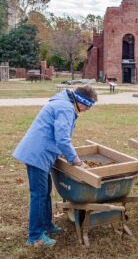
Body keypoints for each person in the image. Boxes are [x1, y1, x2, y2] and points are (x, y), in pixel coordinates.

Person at [13, 85, 98, 247]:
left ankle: (46, 225)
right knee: (38, 195)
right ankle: (35, 236)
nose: (87, 109)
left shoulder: (64, 102)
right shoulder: (65, 108)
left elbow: (57, 136)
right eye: (88, 105)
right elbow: (62, 139)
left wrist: (65, 154)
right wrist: (75, 159)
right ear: (81, 101)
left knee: (45, 192)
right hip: (38, 154)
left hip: (41, 152)